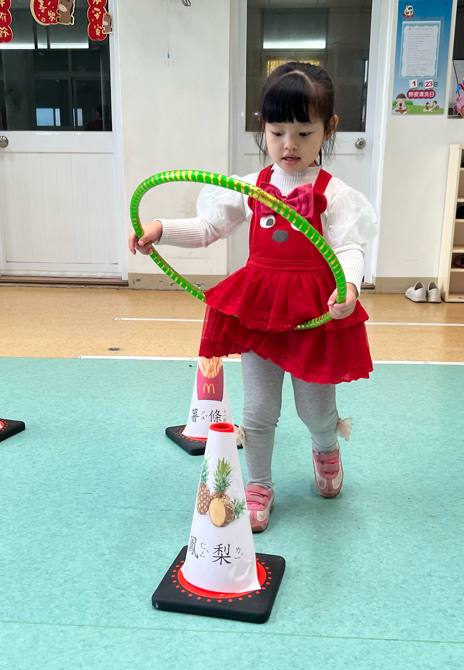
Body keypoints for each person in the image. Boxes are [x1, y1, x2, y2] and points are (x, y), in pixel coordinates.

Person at [128, 62, 377, 533]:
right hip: (260, 310)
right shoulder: (250, 186)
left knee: (315, 410)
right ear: (263, 127)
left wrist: (348, 286)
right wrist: (161, 229)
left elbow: (348, 248)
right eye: (277, 131)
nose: (289, 144)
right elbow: (208, 228)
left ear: (329, 128)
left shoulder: (335, 194)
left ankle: (326, 447)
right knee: (258, 410)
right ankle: (259, 483)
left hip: (313, 311)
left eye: (304, 133)